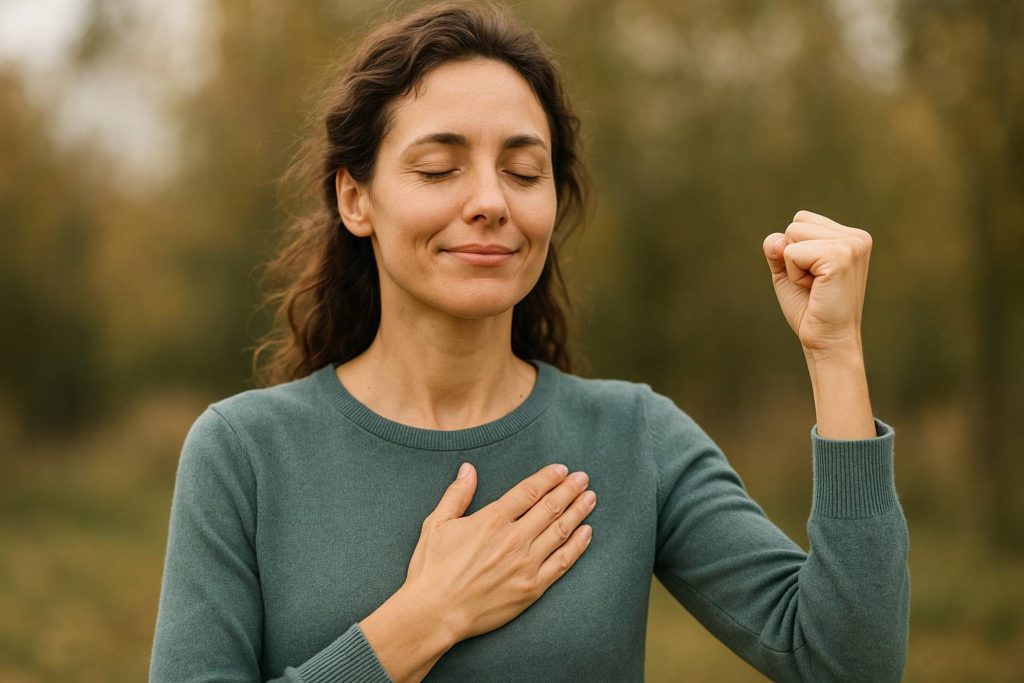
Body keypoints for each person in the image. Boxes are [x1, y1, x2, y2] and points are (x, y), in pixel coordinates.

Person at [148, 2, 909, 682]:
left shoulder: (636, 439)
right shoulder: (243, 454)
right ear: (356, 199)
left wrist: (835, 352)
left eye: (522, 171)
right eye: (439, 168)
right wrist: (421, 620)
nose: (490, 201)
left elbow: (848, 662)